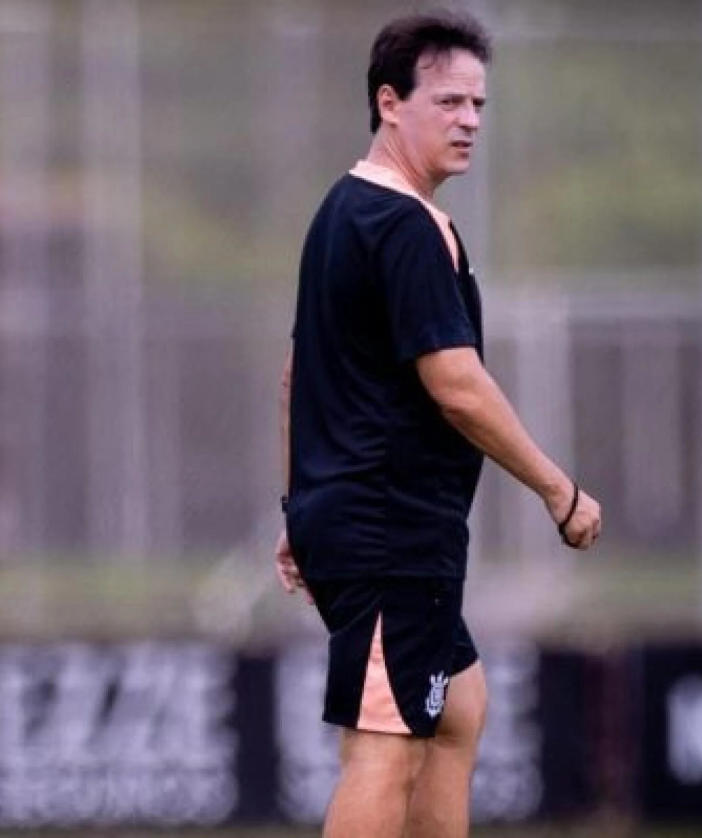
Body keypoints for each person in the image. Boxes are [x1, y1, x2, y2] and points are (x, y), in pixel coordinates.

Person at [274, 10, 601, 838]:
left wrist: (299, 509)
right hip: (390, 528)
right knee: (384, 745)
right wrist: (557, 489)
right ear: (390, 102)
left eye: (479, 105)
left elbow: (298, 372)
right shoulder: (405, 227)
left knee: (457, 706)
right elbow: (456, 385)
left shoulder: (342, 209)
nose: (469, 122)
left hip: (354, 518)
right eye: (448, 101)